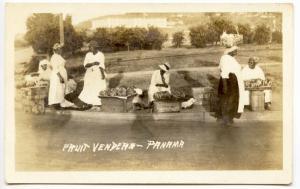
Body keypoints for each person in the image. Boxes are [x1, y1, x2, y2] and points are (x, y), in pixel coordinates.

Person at [216, 46, 245, 126]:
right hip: (229, 81)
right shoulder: (225, 58)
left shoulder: (231, 58)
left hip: (233, 81)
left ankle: (229, 118)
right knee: (228, 100)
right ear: (230, 51)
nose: (236, 52)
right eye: (235, 50)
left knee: (233, 100)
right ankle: (226, 119)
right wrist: (225, 86)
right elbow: (224, 71)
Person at [78, 40, 106, 111]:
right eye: (90, 47)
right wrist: (93, 63)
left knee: (98, 87)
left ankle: (98, 104)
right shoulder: (88, 55)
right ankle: (89, 103)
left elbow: (101, 65)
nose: (90, 48)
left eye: (91, 47)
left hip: (98, 73)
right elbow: (85, 65)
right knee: (89, 88)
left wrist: (102, 74)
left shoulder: (101, 54)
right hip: (90, 73)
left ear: (95, 47)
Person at [48, 43, 69, 109]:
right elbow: (55, 68)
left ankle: (60, 103)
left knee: (61, 89)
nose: (61, 50)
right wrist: (60, 77)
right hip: (57, 75)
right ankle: (56, 104)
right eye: (60, 49)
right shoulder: (54, 57)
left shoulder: (59, 56)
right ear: (56, 50)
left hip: (61, 73)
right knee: (57, 89)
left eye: (61, 49)